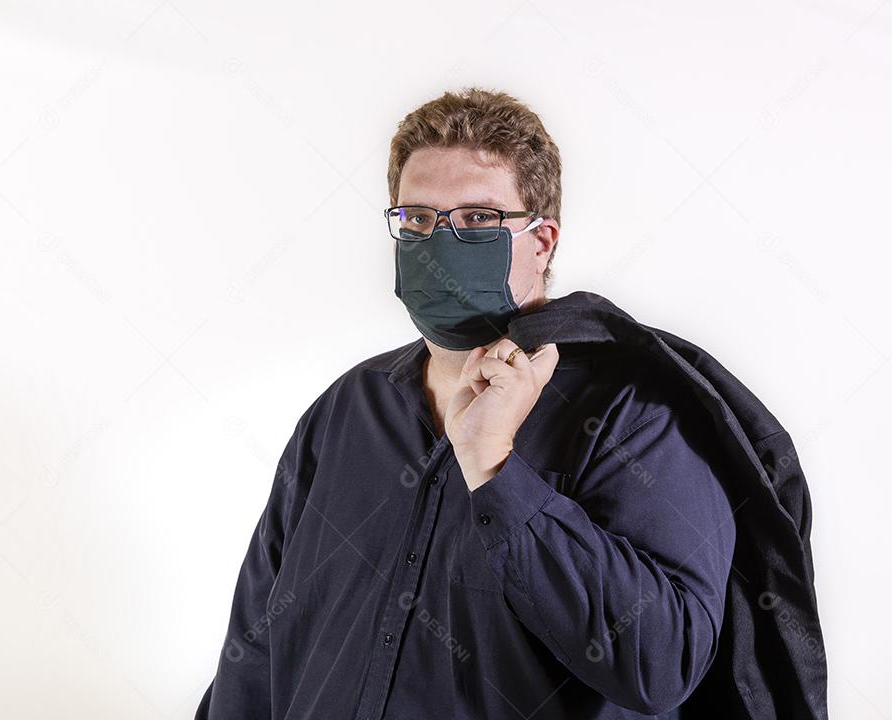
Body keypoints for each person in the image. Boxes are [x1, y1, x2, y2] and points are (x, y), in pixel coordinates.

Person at [196, 86, 736, 720]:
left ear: (542, 241)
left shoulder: (635, 417)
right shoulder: (347, 410)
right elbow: (256, 648)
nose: (440, 242)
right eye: (418, 219)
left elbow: (663, 664)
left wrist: (497, 472)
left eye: (478, 219)